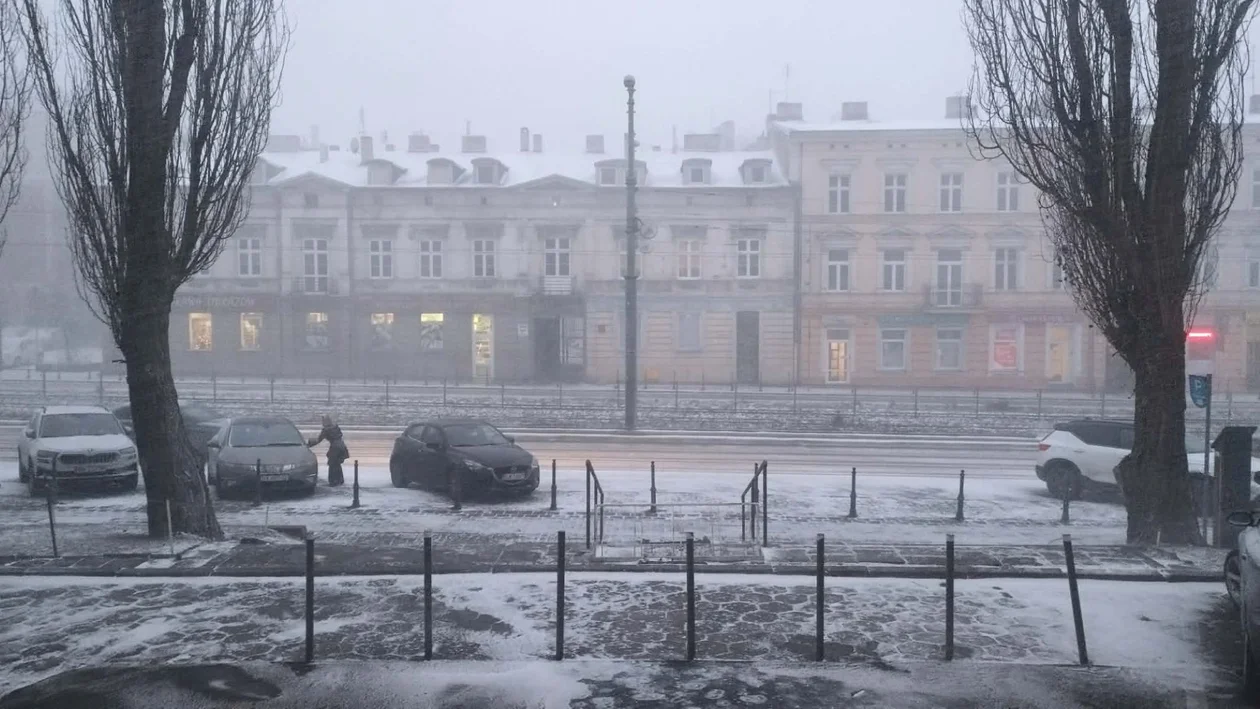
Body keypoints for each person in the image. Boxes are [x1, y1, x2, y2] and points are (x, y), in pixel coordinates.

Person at [308, 414, 348, 486]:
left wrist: (309, 444)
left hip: (335, 448)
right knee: (337, 464)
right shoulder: (336, 427)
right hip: (342, 446)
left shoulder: (326, 430)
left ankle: (333, 481)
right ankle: (340, 480)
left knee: (332, 464)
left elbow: (318, 440)